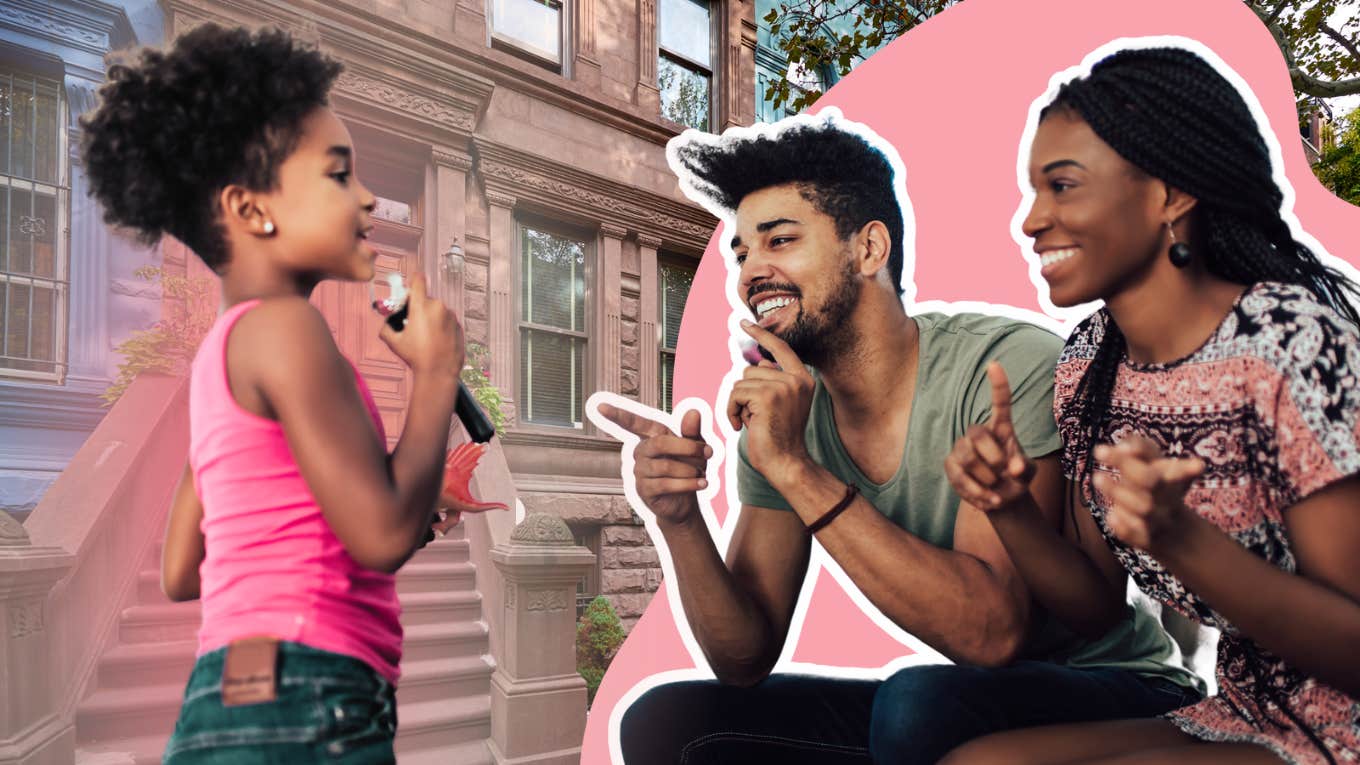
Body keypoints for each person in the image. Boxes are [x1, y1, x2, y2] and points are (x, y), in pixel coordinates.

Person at [599, 113, 1203, 765]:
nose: (750, 273)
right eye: (742, 253)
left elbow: (994, 630)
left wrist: (798, 470)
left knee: (918, 708)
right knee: (666, 723)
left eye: (779, 240)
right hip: (959, 712)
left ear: (869, 250)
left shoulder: (1002, 366)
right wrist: (681, 519)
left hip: (1125, 691)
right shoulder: (787, 422)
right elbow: (744, 654)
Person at [940, 45, 1360, 765]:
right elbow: (1096, 604)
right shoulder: (1090, 364)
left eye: (1063, 186)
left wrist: (1184, 541)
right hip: (1244, 711)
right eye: (1034, 190)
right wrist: (1009, 508)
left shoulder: (1290, 344)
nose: (1031, 220)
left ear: (1170, 196)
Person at [80, 24, 475, 762]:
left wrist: (418, 512)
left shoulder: (223, 355)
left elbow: (183, 568)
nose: (368, 197)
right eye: (338, 175)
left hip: (225, 700)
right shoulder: (292, 329)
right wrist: (435, 374)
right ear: (252, 208)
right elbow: (380, 534)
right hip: (311, 698)